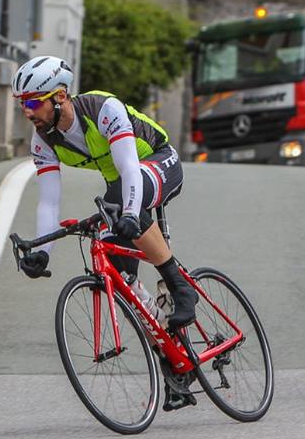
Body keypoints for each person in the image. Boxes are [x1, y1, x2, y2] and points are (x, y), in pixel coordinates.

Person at [11, 56, 197, 333]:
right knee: (112, 261)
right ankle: (159, 329)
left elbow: (129, 168)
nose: (27, 111)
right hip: (122, 188)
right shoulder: (43, 141)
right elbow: (49, 202)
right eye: (22, 103)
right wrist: (42, 252)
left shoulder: (103, 109)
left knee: (119, 202)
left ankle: (180, 288)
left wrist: (132, 214)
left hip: (158, 162)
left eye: (34, 102)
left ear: (60, 96)